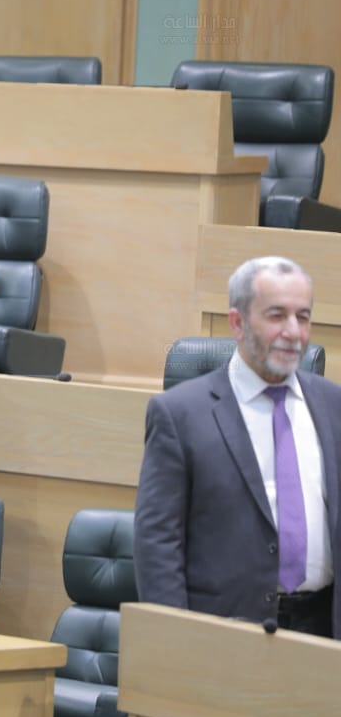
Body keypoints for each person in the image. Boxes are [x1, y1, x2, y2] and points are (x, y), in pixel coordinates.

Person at [135, 256, 341, 638]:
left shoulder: (334, 406)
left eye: (303, 317)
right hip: (224, 634)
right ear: (237, 322)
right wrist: (173, 642)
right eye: (277, 315)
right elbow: (158, 543)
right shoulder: (180, 414)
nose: (293, 332)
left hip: (323, 631)